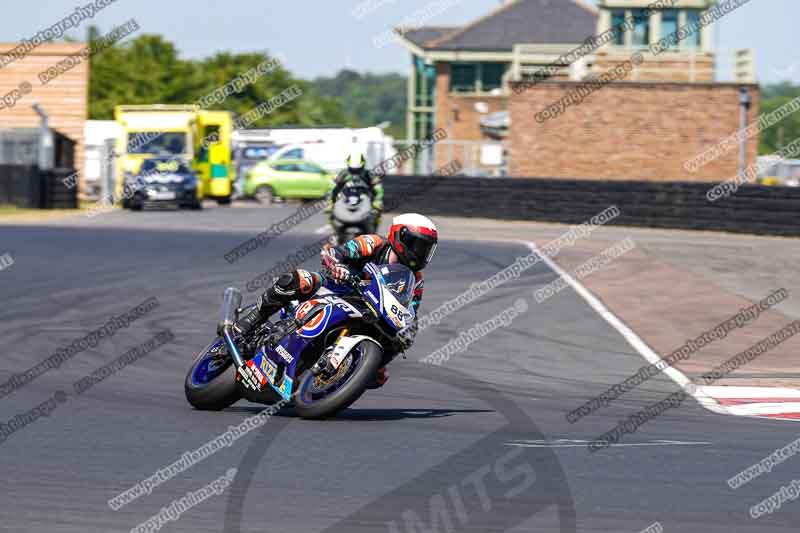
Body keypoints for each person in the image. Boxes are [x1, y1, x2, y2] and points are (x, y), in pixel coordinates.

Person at [235, 213, 439, 388]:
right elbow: (336, 252)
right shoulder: (374, 244)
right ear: (399, 235)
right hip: (337, 287)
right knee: (301, 280)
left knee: (396, 342)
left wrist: (408, 329)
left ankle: (354, 367)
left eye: (426, 249)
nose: (421, 253)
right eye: (418, 245)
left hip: (369, 311)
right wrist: (337, 265)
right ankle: (252, 319)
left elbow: (409, 310)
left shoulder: (416, 281)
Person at [325, 146, 384, 228]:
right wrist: (330, 201)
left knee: (377, 210)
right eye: (352, 170)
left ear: (363, 165)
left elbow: (378, 186)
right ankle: (336, 229)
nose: (355, 172)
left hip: (365, 198)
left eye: (358, 170)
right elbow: (332, 185)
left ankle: (373, 228)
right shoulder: (343, 173)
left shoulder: (369, 174)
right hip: (346, 197)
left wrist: (377, 200)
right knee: (331, 210)